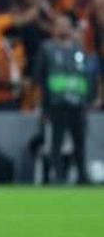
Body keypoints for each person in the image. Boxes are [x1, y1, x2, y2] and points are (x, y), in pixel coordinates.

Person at [34, 13, 96, 184]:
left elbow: (85, 73)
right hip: (57, 102)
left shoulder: (78, 49)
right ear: (54, 28)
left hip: (77, 102)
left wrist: (88, 98)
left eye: (66, 25)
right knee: (57, 141)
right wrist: (43, 105)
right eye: (59, 25)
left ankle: (82, 175)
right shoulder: (47, 48)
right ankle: (59, 175)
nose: (63, 28)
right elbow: (40, 76)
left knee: (79, 141)